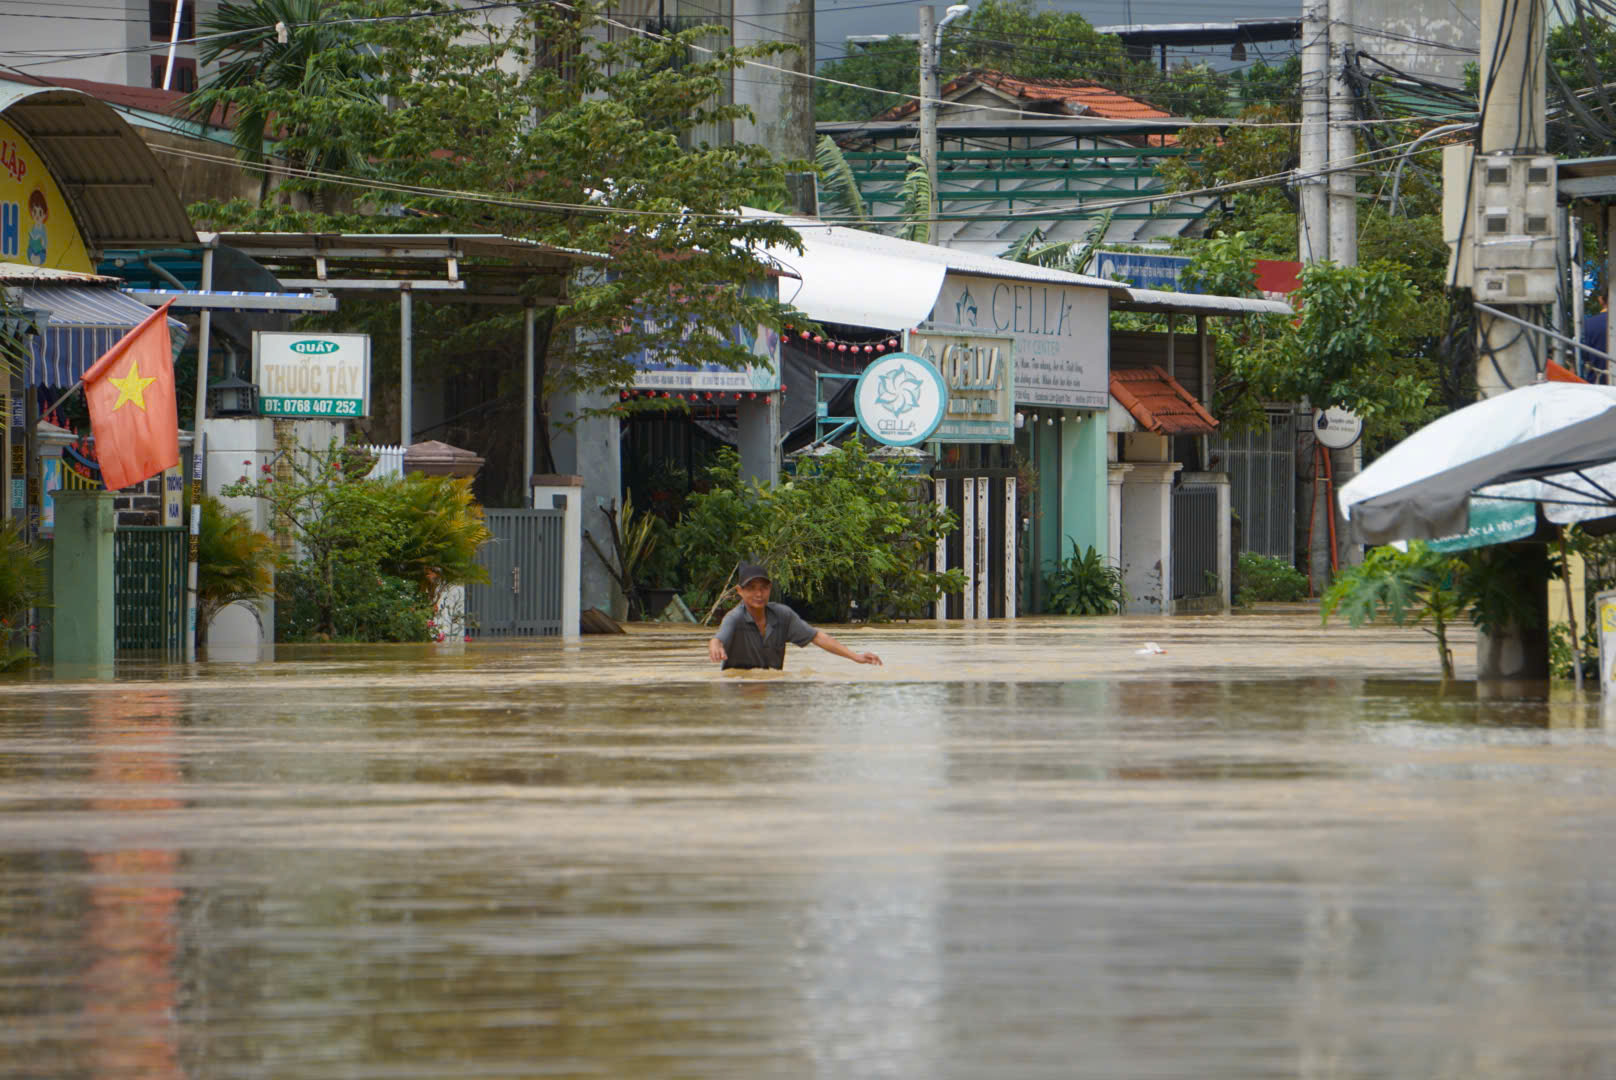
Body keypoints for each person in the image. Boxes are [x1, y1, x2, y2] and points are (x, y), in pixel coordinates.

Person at [707, 562, 882, 670]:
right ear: (739, 591)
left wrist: (856, 657)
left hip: (771, 687)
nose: (758, 593)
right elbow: (718, 638)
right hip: (738, 687)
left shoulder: (783, 615)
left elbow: (818, 637)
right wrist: (715, 646)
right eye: (751, 588)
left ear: (770, 588)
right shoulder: (735, 617)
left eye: (763, 587)